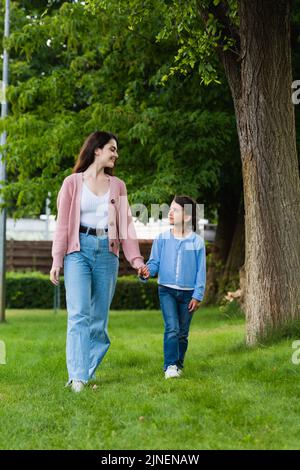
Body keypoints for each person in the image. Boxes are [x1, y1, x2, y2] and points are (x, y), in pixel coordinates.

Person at [50, 131, 146, 392]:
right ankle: (78, 377)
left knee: (99, 323)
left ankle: (84, 371)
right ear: (97, 151)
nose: (116, 154)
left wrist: (136, 260)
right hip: (77, 252)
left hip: (107, 252)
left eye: (116, 150)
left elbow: (126, 225)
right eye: (112, 149)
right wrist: (57, 259)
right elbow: (62, 225)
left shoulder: (118, 186)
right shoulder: (72, 183)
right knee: (79, 315)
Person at [139, 195, 206, 379]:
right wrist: (146, 272)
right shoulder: (161, 239)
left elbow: (201, 272)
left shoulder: (197, 242)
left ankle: (178, 364)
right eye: (170, 208)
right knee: (172, 328)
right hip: (166, 290)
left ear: (186, 217)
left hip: (188, 294)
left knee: (183, 333)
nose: (169, 212)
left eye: (174, 210)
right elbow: (153, 264)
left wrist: (197, 295)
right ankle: (169, 366)